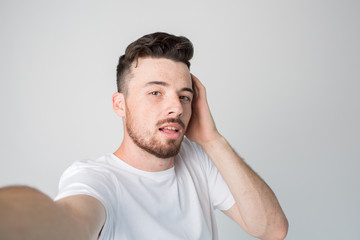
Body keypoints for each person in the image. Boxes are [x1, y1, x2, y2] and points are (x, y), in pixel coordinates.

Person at [0, 32, 288, 240]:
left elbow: (272, 230)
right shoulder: (96, 178)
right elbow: (70, 222)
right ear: (119, 104)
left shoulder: (198, 160)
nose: (176, 107)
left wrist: (212, 139)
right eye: (155, 92)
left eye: (184, 96)